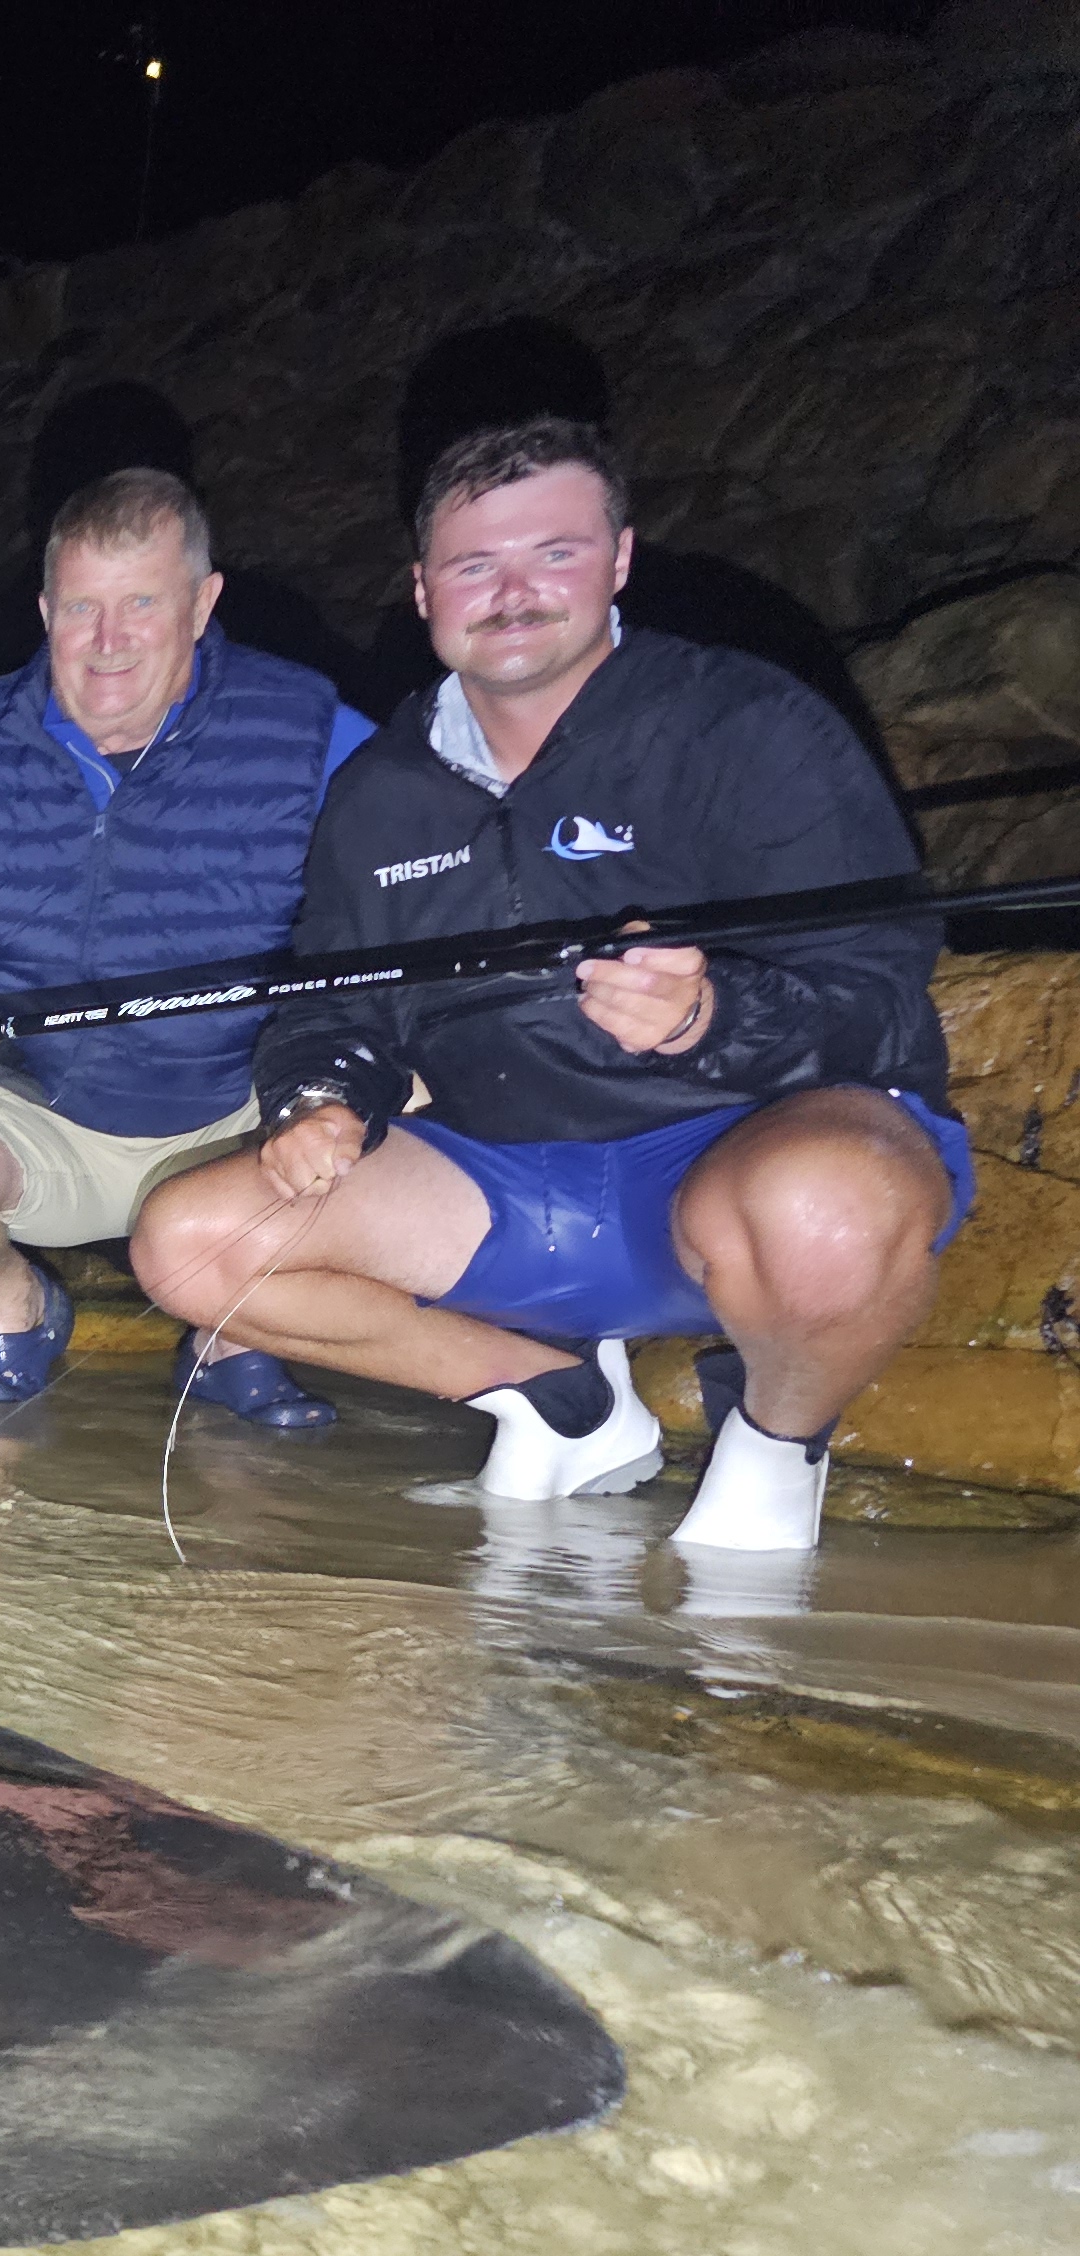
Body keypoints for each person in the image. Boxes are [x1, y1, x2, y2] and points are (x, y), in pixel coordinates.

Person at [129, 417, 967, 1556]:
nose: (513, 593)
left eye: (554, 554)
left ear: (618, 561)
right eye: (475, 564)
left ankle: (776, 1444)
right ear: (424, 589)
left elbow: (882, 987)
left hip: (735, 1153)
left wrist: (710, 1016)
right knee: (189, 1239)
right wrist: (319, 1096)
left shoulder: (747, 724)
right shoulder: (379, 790)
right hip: (504, 1187)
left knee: (824, 1205)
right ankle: (557, 1399)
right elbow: (334, 1002)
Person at [0, 465, 378, 1420]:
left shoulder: (307, 727)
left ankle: (233, 1331)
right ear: (47, 612)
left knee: (408, 1102)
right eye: (83, 607)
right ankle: (15, 1302)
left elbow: (438, 848)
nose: (108, 640)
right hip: (26, 1102)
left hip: (236, 1108)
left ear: (202, 605)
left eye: (142, 604)